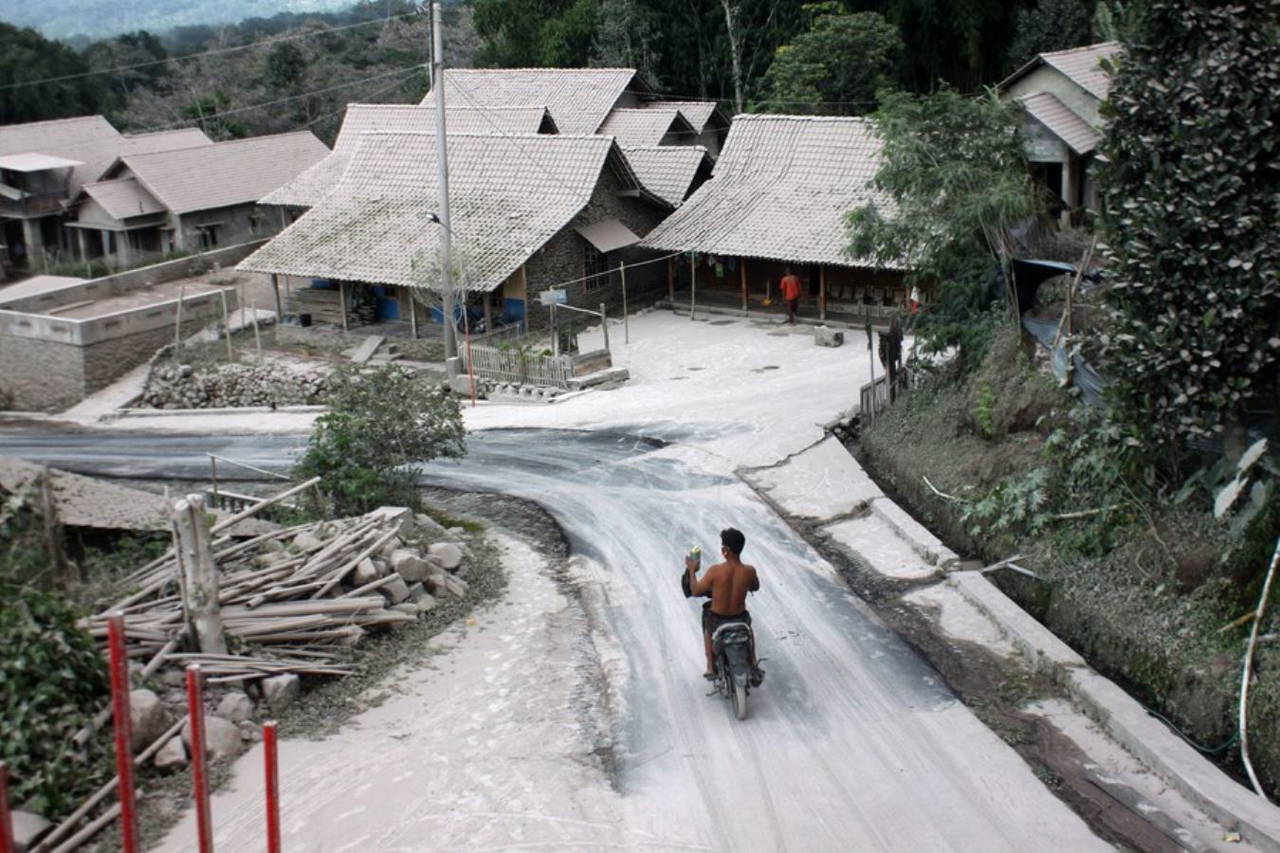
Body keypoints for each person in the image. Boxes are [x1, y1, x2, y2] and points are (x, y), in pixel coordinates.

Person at [685, 527, 763, 684]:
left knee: (708, 626)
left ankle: (710, 666)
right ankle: (753, 662)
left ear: (725, 550)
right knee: (749, 628)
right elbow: (755, 586)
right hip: (739, 618)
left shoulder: (715, 571)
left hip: (718, 619)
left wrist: (692, 570)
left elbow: (695, 590)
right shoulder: (749, 571)